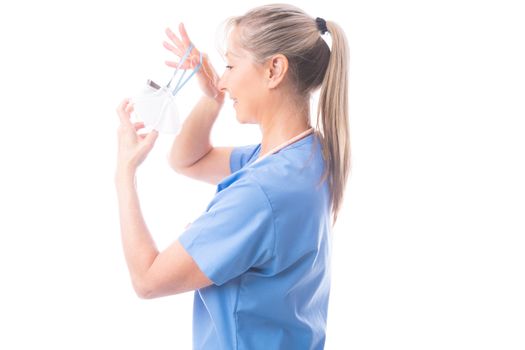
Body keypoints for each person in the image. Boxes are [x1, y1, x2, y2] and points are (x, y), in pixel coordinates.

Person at [114, 3, 350, 349]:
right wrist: (211, 100)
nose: (222, 81)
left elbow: (147, 280)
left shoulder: (261, 191)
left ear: (274, 70)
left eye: (230, 65)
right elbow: (189, 161)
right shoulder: (307, 156)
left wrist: (124, 174)